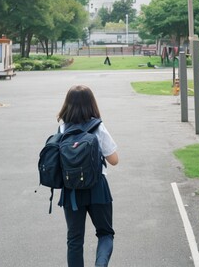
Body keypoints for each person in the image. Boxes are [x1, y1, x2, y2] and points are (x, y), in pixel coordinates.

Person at [57, 85, 119, 267]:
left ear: (67, 105)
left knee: (74, 240)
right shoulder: (98, 127)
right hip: (97, 188)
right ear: (92, 103)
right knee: (105, 233)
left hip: (71, 191)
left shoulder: (62, 130)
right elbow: (114, 160)